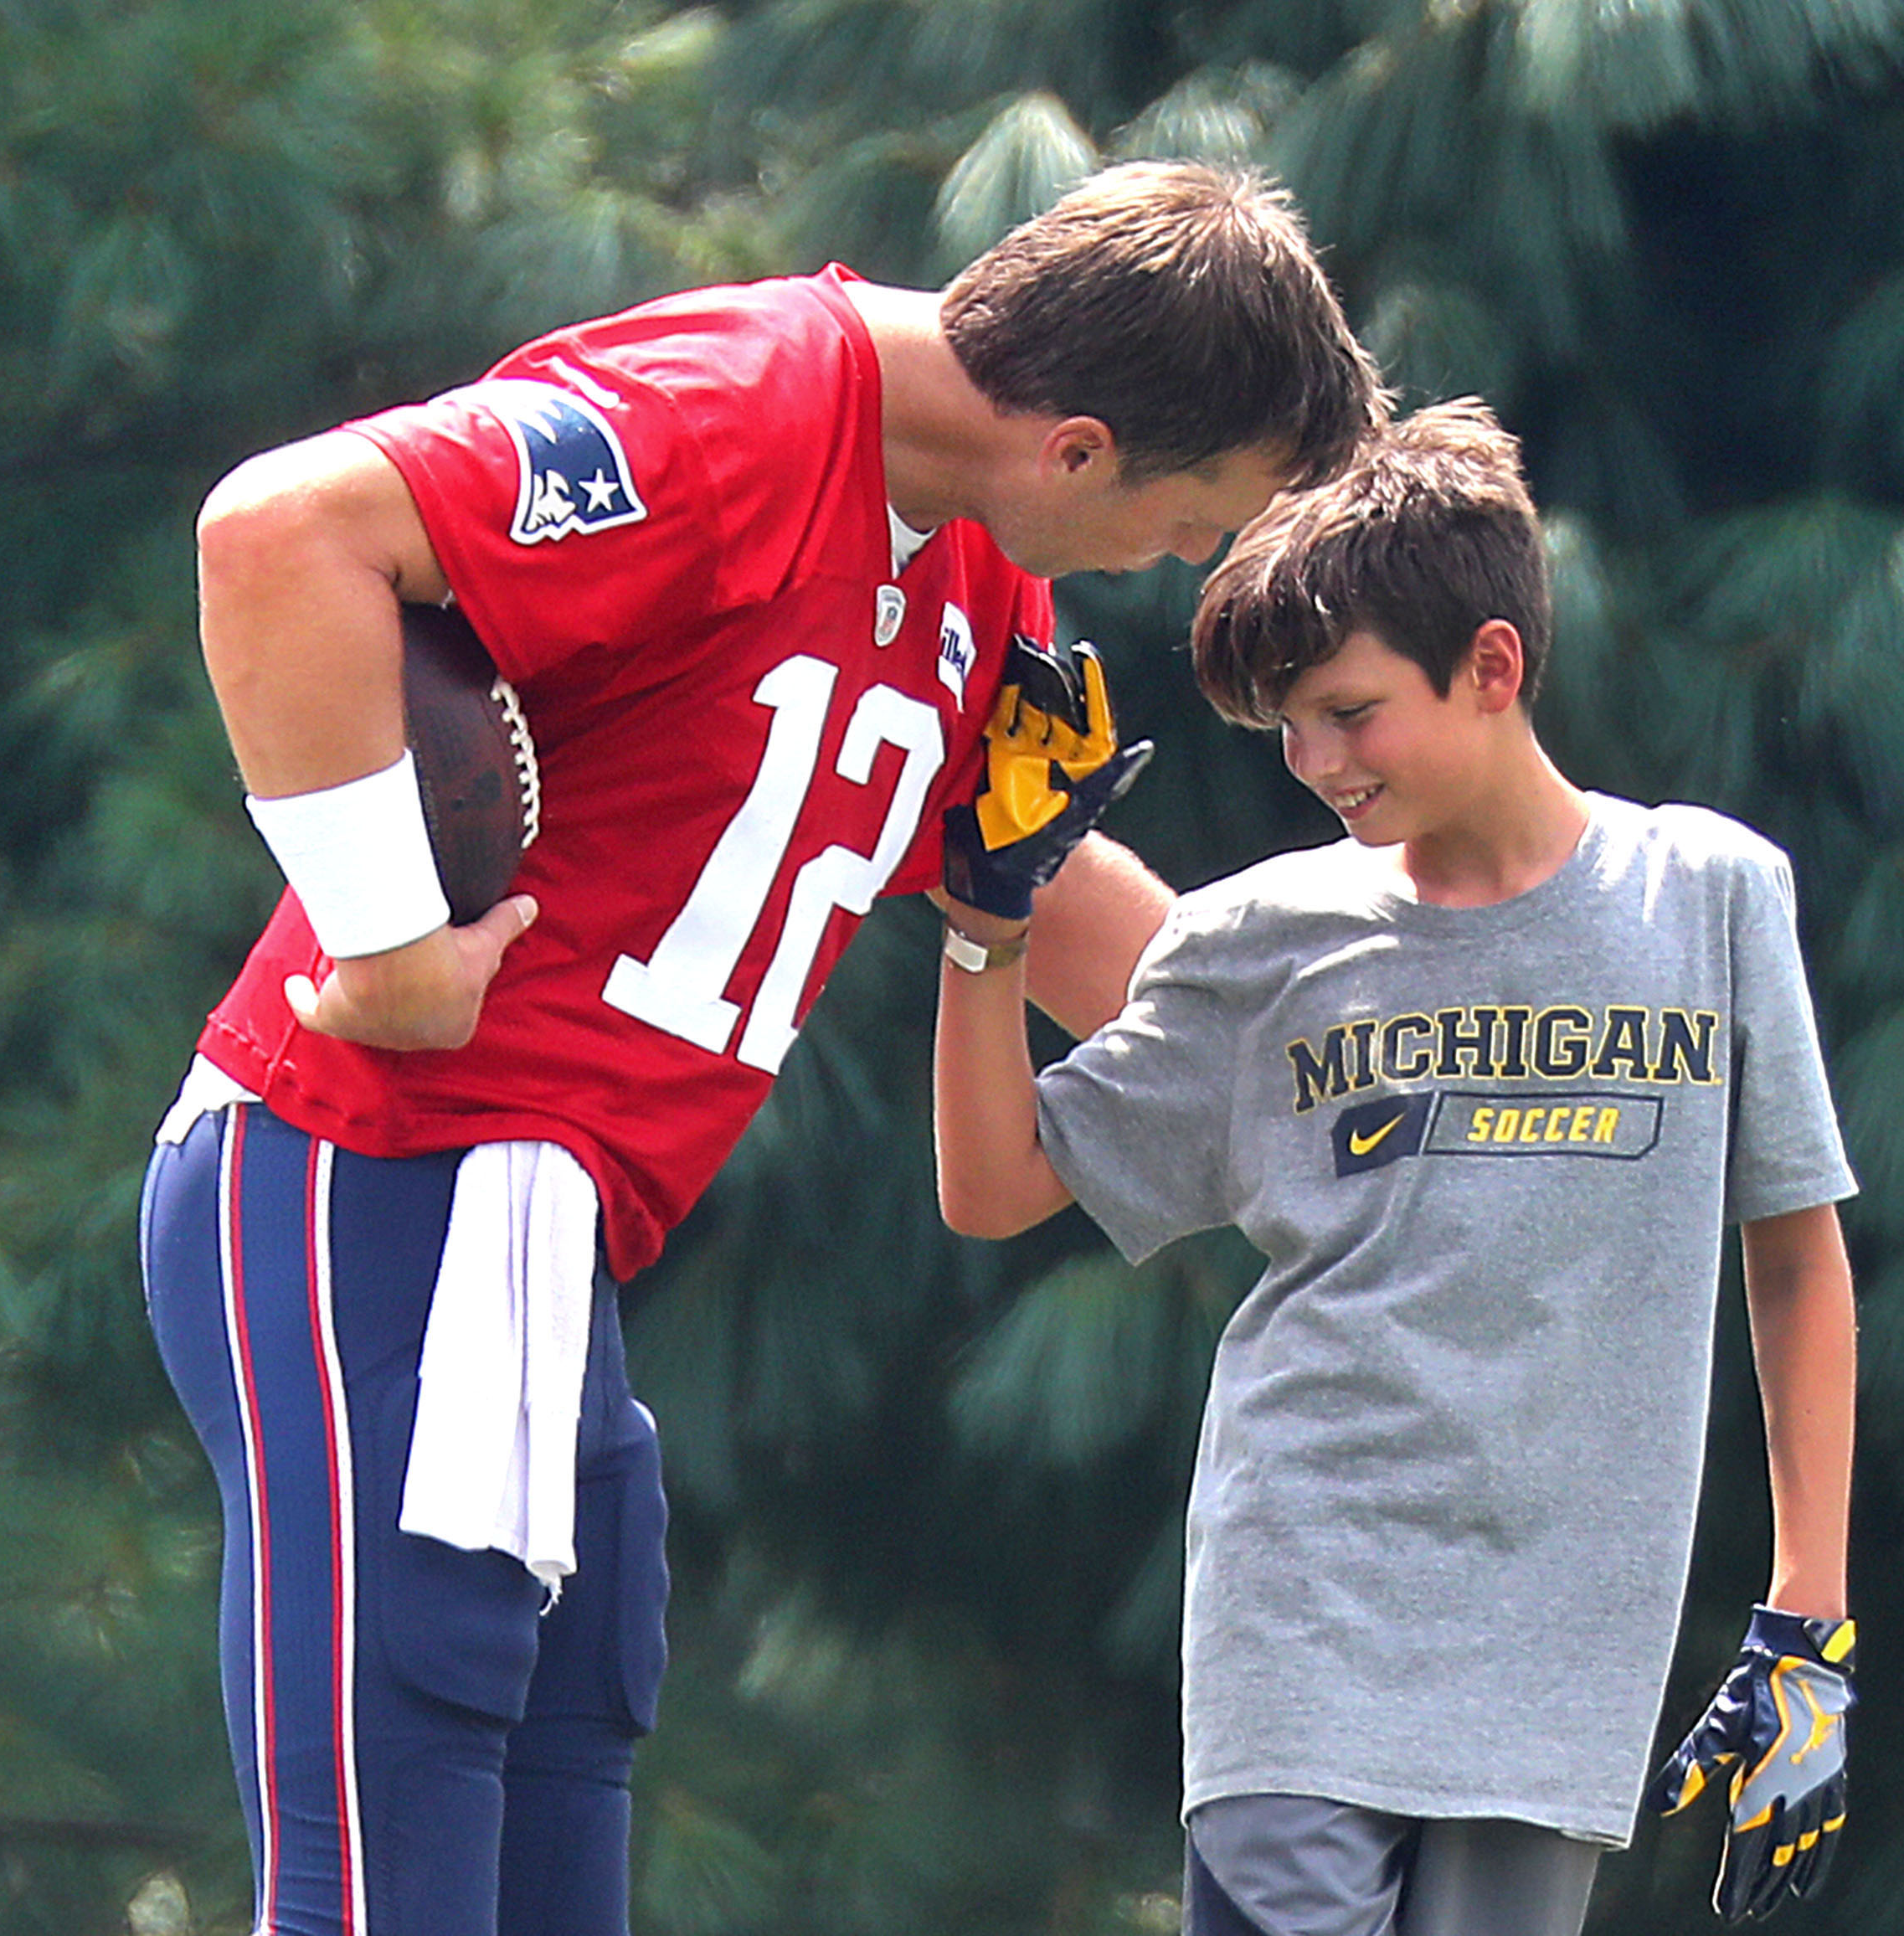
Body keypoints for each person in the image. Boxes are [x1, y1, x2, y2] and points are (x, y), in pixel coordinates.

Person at [138, 161, 1385, 1936]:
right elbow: (280, 531)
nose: (1183, 561)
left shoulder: (974, 562)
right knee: (383, 1863)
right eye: (1196, 517)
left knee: (563, 1797)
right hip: (368, 1163)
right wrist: (384, 931)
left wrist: (1381, 1074)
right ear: (1081, 448)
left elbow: (1045, 889)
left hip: (529, 1229)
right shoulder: (740, 410)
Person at [932, 401, 1860, 1934]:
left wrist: (1806, 1620)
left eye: (1348, 713)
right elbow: (999, 1183)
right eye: (1288, 726)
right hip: (1303, 1613)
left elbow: (1793, 1252)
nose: (1314, 762)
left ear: (1493, 667)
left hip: (1566, 1642)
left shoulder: (1712, 894)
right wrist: (986, 921)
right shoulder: (1264, 940)